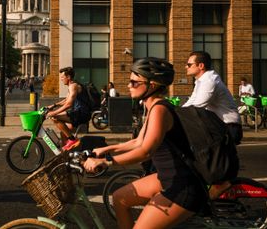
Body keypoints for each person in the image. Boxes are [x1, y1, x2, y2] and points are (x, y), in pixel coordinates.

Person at [84, 57, 206, 229]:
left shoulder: (160, 110)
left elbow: (145, 151)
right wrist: (107, 148)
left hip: (181, 187)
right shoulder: (152, 108)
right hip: (165, 177)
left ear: (152, 84)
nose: (129, 86)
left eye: (134, 82)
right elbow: (138, 142)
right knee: (119, 198)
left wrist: (106, 161)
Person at [46, 67, 91, 151]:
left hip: (82, 113)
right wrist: (53, 105)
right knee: (63, 131)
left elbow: (69, 104)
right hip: (78, 112)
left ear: (69, 77)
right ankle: (65, 151)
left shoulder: (73, 86)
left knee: (55, 117)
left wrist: (54, 112)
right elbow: (66, 100)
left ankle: (72, 140)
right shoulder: (72, 85)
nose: (61, 79)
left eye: (62, 77)